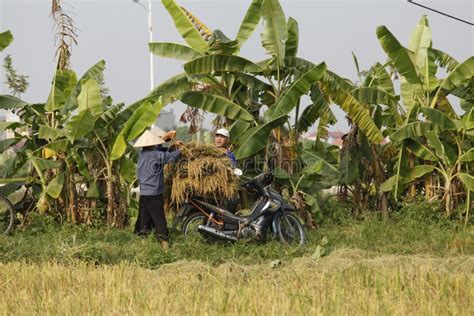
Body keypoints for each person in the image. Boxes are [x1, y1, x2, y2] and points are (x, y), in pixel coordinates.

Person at [133, 129, 181, 250]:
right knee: (159, 218)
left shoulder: (143, 155)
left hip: (144, 193)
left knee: (144, 218)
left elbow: (161, 150)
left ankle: (142, 243)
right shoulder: (155, 155)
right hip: (154, 194)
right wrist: (180, 150)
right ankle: (165, 243)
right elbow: (169, 157)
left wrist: (171, 144)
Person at [214, 128, 239, 213]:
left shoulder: (230, 155)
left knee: (233, 200)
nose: (219, 139)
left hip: (224, 186)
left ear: (227, 140)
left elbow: (233, 168)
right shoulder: (208, 152)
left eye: (222, 137)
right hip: (212, 186)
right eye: (217, 136)